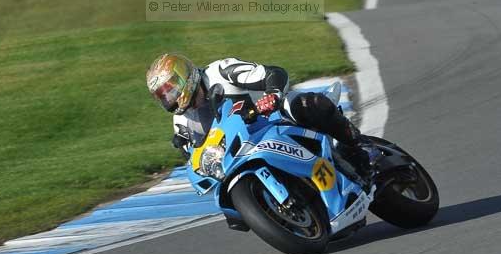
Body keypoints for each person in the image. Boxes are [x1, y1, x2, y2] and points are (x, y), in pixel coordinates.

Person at [146, 52, 371, 182]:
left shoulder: (220, 71)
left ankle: (359, 147)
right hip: (243, 153)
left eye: (171, 88)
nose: (170, 97)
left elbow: (274, 72)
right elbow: (194, 158)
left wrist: (271, 95)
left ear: (184, 76)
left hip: (274, 120)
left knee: (303, 104)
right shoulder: (181, 123)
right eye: (163, 96)